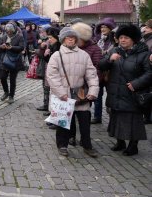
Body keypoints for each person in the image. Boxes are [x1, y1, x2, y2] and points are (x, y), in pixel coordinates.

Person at [46, 27, 99, 158]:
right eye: (68, 37)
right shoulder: (56, 56)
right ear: (63, 39)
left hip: (81, 95)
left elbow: (92, 75)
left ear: (76, 39)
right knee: (63, 123)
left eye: (73, 37)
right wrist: (61, 93)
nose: (71, 39)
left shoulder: (84, 55)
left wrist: (93, 91)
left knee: (85, 123)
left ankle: (87, 146)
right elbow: (52, 76)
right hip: (63, 97)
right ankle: (62, 145)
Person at [99, 25, 152, 156]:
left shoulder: (143, 54)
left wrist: (136, 83)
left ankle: (133, 145)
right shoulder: (115, 51)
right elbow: (101, 65)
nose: (122, 40)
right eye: (121, 37)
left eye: (126, 38)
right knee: (116, 117)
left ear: (133, 39)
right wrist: (109, 60)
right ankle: (120, 142)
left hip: (132, 93)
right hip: (116, 92)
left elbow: (149, 73)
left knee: (132, 120)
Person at [72, 22, 103, 126]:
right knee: (71, 109)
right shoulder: (73, 48)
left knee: (84, 111)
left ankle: (84, 133)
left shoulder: (95, 49)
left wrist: (88, 84)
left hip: (85, 86)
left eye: (77, 38)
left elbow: (97, 69)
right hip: (72, 84)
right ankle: (71, 133)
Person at [0, 22, 25, 103]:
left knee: (12, 80)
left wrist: (11, 47)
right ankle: (6, 92)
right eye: (7, 30)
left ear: (14, 30)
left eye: (10, 30)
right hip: (4, 60)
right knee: (2, 77)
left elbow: (21, 47)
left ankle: (11, 96)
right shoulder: (4, 36)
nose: (8, 32)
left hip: (14, 60)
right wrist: (1, 46)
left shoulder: (19, 37)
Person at [36, 27, 61, 114]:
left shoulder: (59, 47)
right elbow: (43, 57)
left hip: (56, 73)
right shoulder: (50, 45)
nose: (49, 40)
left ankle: (52, 109)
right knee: (46, 88)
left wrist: (48, 54)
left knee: (53, 90)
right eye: (48, 37)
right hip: (48, 70)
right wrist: (45, 52)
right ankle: (47, 105)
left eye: (50, 38)